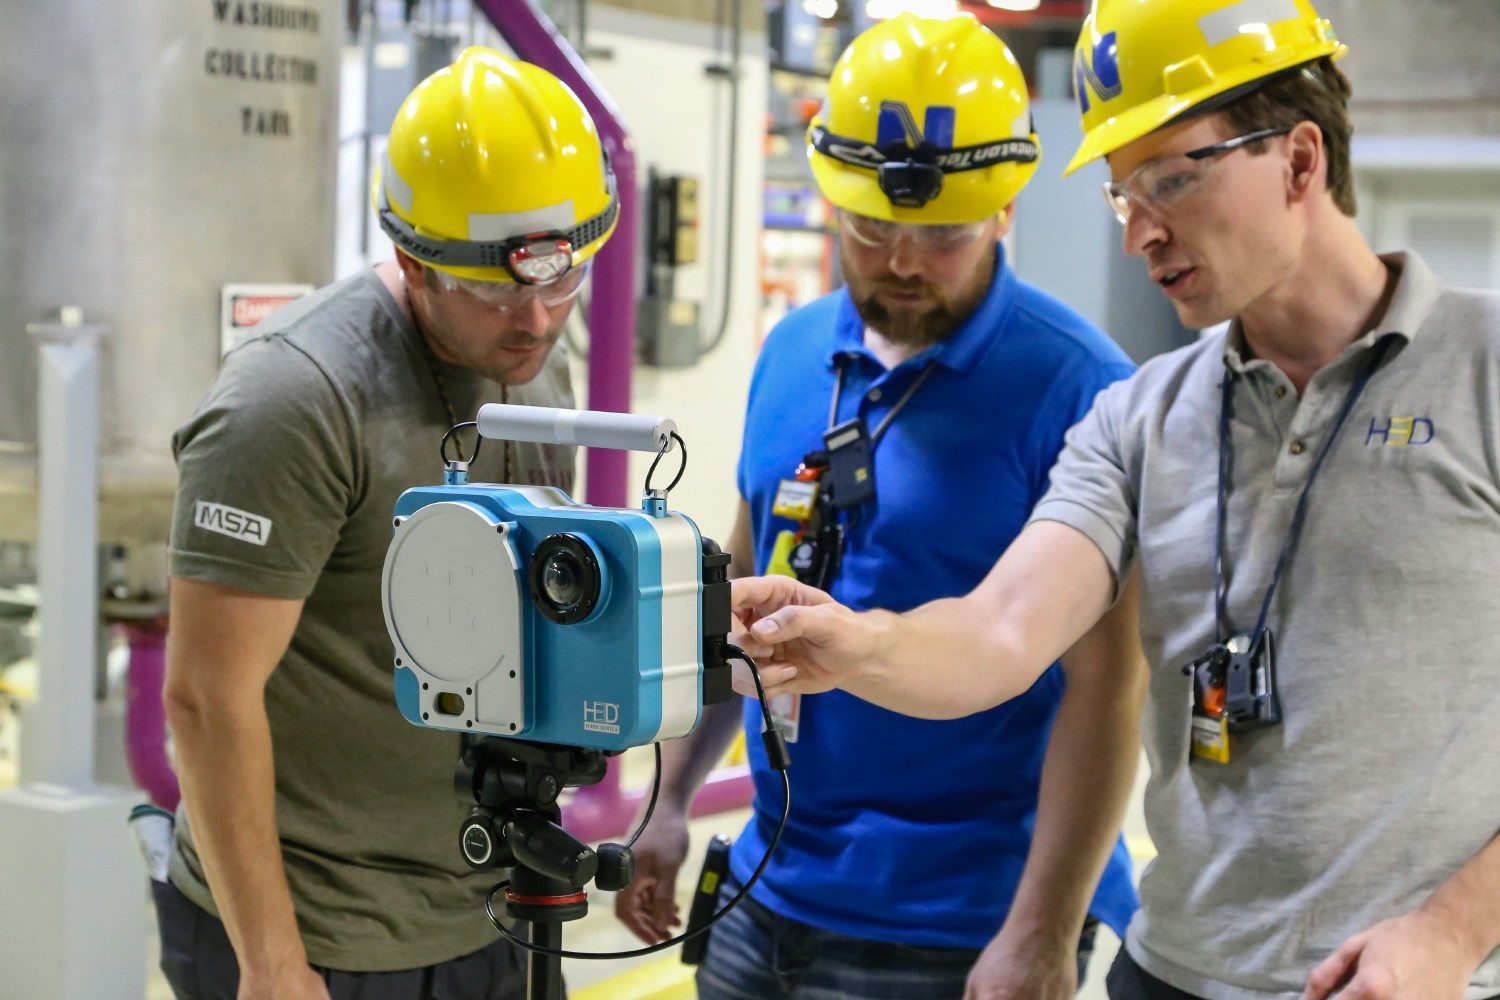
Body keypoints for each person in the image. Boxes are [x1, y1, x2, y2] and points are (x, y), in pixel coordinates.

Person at [729, 1, 1500, 998]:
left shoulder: (1482, 375)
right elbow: (1001, 632)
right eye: (1121, 193)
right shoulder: (1139, 415)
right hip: (1168, 972)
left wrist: (1451, 931)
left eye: (1171, 178)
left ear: (1300, 161)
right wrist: (857, 643)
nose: (1141, 230)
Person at [615, 14, 1145, 999]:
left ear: (1004, 205)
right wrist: (672, 796)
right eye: (870, 228)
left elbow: (1106, 691)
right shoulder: (793, 351)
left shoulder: (1081, 390)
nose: (901, 260)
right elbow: (743, 600)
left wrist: (1044, 930)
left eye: (940, 234)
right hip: (764, 895)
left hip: (959, 927)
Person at [158, 47, 616, 1000]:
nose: (535, 320)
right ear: (413, 260)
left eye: (562, 284)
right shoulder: (295, 399)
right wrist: (272, 963)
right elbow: (206, 697)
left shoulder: (535, 365)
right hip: (321, 936)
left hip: (494, 909)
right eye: (496, 289)